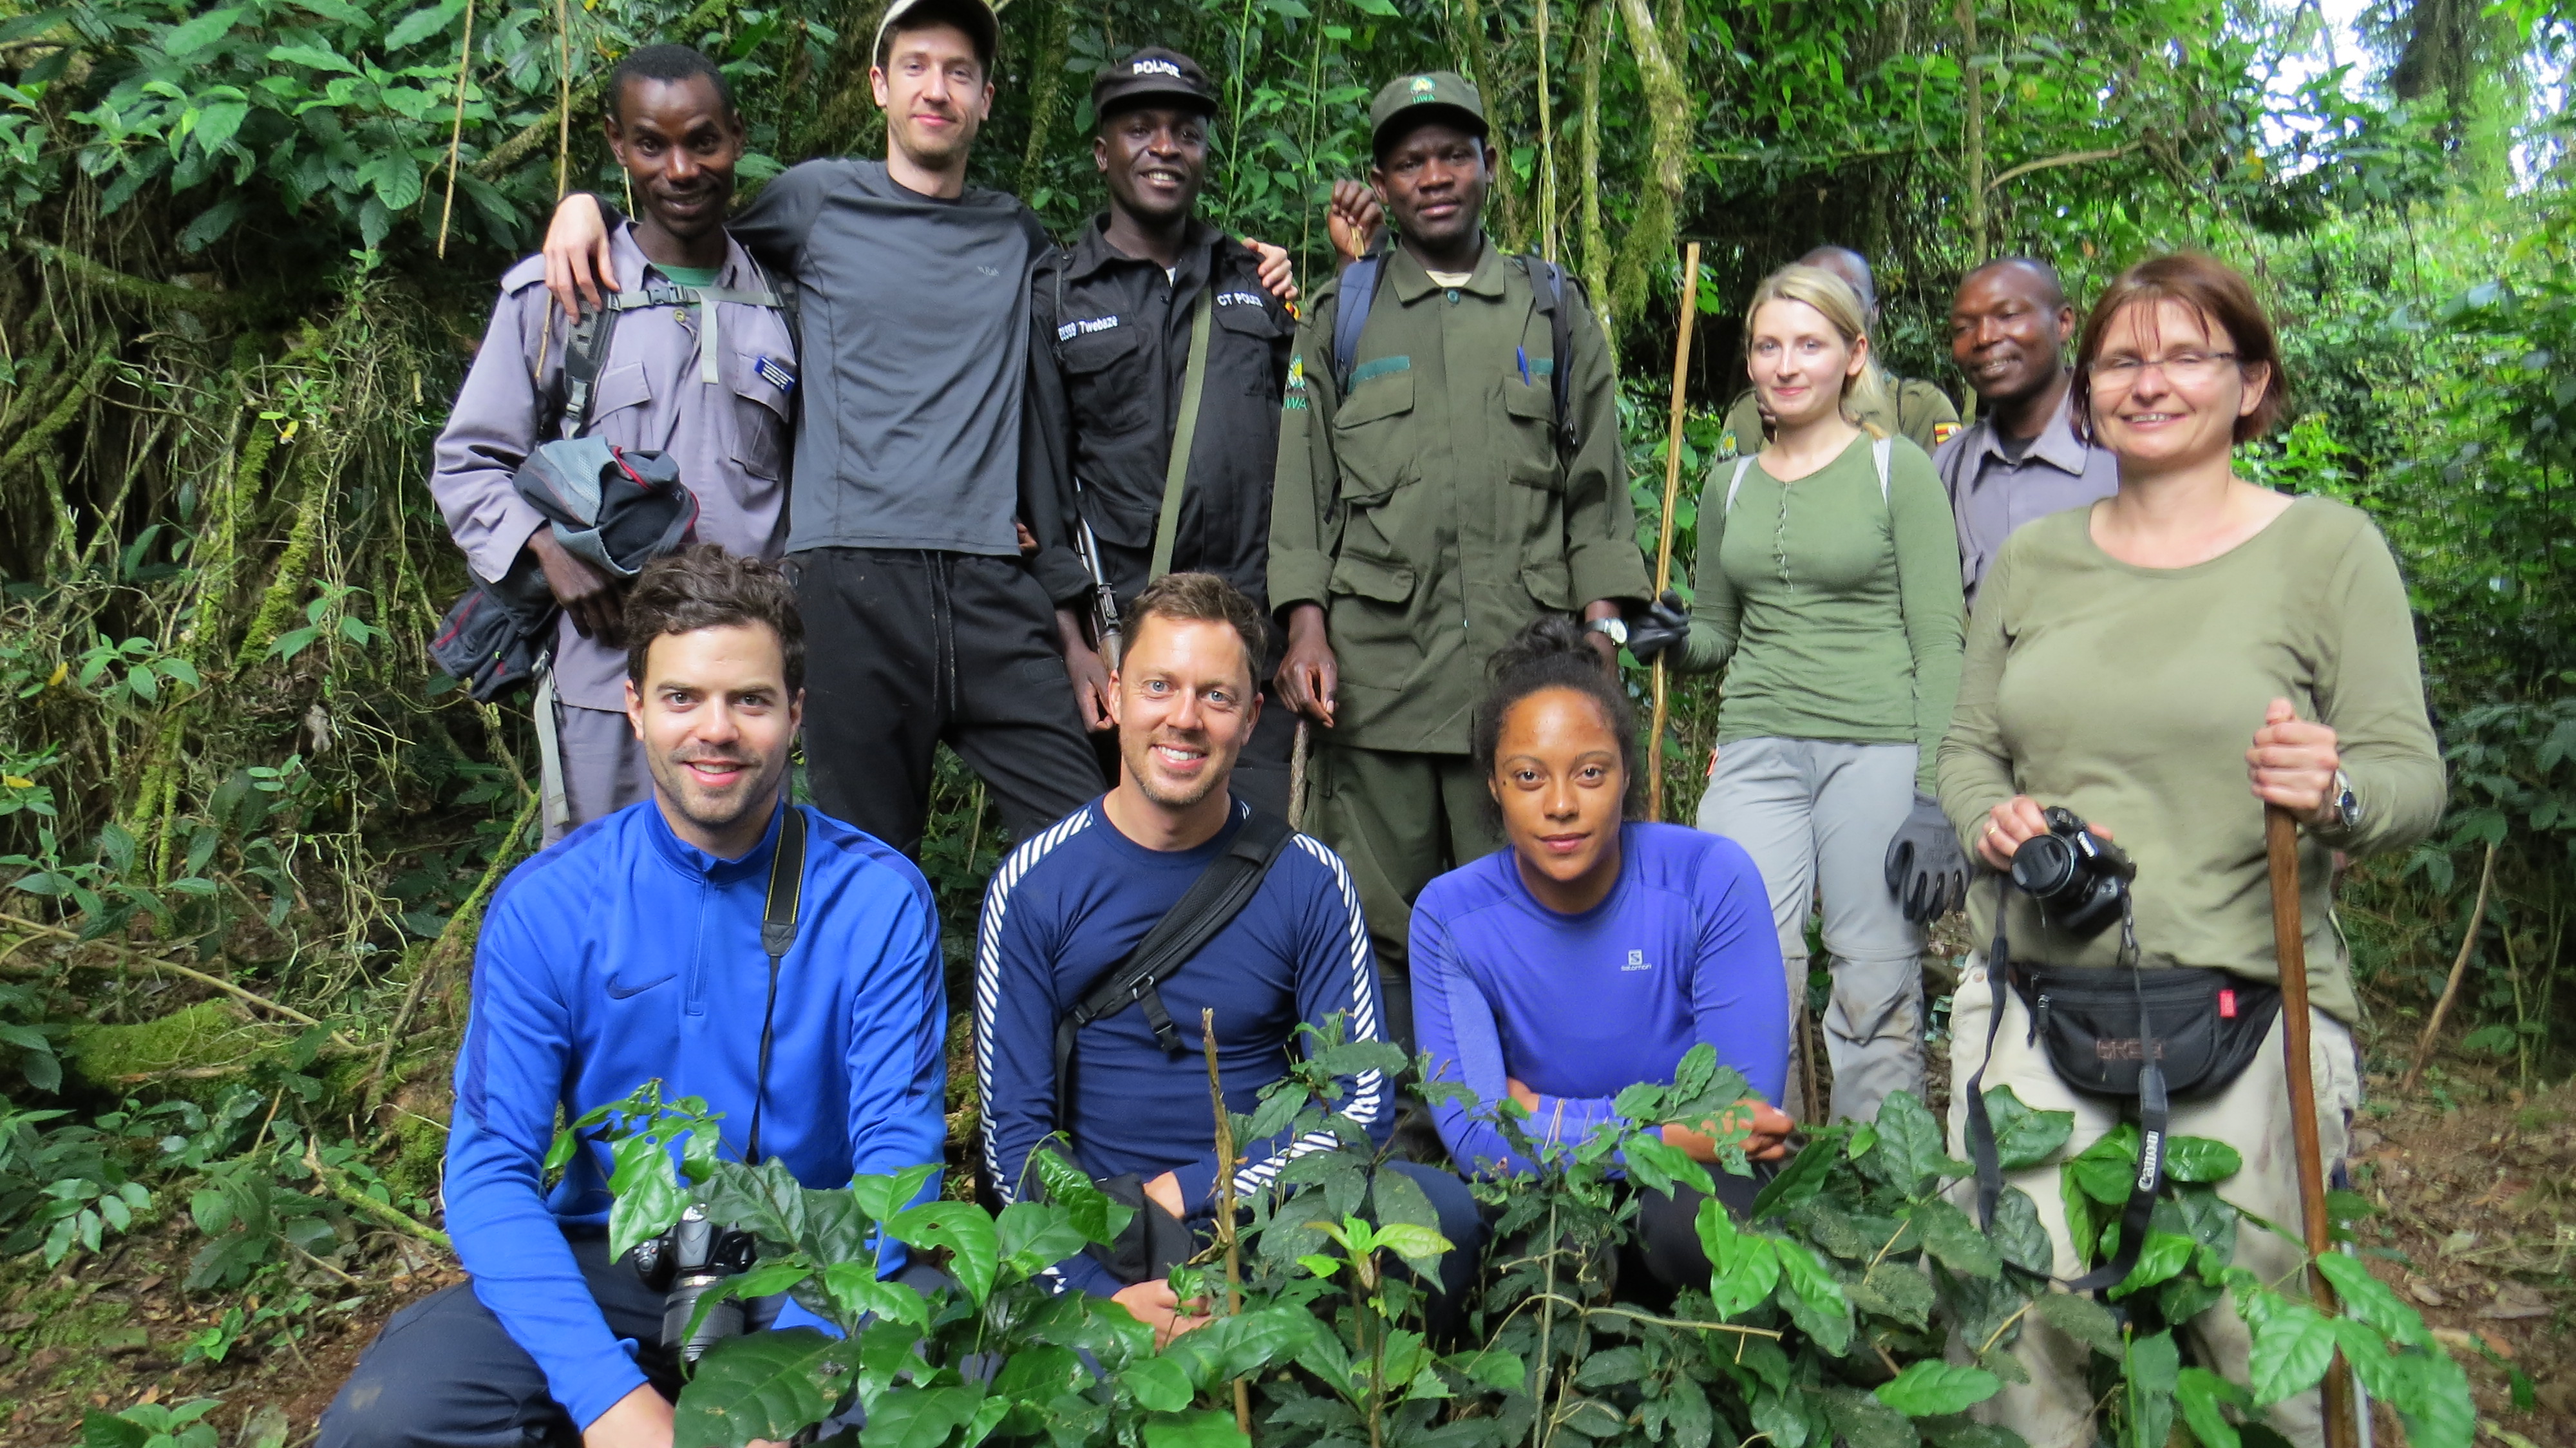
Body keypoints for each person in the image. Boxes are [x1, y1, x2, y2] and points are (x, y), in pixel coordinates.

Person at [537, 1, 1292, 857]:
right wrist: (586, 207)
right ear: (879, 86)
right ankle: (882, 994)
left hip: (991, 583)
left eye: (959, 73)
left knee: (1083, 839)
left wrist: (1070, 627)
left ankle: (1073, 990)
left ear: (985, 99)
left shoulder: (1015, 234)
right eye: (917, 67)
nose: (937, 89)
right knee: (866, 854)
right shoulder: (814, 201)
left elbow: (1055, 407)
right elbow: (687, 225)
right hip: (851, 578)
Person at [1938, 254, 2443, 1447]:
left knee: (2259, 1324)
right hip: (2042, 989)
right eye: (2122, 357)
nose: (2147, 381)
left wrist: (2339, 791)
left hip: (2255, 993)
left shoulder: (2327, 550)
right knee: (2015, 1313)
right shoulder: (2032, 560)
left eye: (2185, 355)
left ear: (2251, 381)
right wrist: (1989, 818)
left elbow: (2411, 777)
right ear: (2085, 383)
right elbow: (1966, 748)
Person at [319, 546, 949, 1448]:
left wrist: (790, 1387)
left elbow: (898, 1161)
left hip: (813, 1272)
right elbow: (491, 1168)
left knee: (969, 1385)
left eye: (752, 701)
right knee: (393, 1421)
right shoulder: (550, 904)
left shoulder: (878, 899)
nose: (717, 730)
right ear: (635, 709)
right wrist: (612, 1402)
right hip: (611, 1261)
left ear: (796, 715)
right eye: (684, 698)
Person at [974, 572, 1483, 1340]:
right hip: (1102, 1236)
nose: (1184, 718)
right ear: (1114, 696)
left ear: (1250, 719)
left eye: (1215, 696)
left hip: (1272, 1215)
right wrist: (1093, 1296)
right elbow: (1014, 1137)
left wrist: (1192, 1193)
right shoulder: (1036, 885)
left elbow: (1360, 1109)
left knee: (1440, 1214)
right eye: (1158, 686)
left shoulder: (1308, 879)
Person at [1269, 70, 1651, 1053]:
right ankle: (1395, 1137)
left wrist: (1602, 637)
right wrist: (1303, 628)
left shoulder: (1551, 312)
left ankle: (1535, 1133)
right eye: (1409, 161)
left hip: (1521, 685)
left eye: (1452, 155)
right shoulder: (1341, 317)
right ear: (1383, 185)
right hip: (1380, 681)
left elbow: (1594, 486)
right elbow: (1302, 488)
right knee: (1379, 923)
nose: (1433, 176)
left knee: (1538, 908)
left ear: (1491, 166)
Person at [1625, 264, 1967, 1126]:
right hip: (1756, 747)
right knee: (1745, 970)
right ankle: (1753, 1186)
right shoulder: (1729, 483)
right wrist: (1671, 638)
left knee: (1874, 980)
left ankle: (1879, 1199)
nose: (1785, 365)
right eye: (1768, 346)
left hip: (1877, 746)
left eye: (1808, 345)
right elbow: (1719, 633)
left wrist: (1936, 797)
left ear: (1853, 357)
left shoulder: (1901, 473)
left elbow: (1940, 640)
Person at [432, 44, 795, 841]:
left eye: (702, 141)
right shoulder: (562, 294)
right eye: (650, 144)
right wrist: (547, 554)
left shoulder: (786, 303)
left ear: (736, 137)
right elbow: (466, 463)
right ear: (616, 145)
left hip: (746, 693)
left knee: (742, 901)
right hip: (605, 678)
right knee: (605, 900)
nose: (680, 168)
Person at [1410, 617, 1793, 1297]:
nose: (1561, 804)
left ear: (1625, 773)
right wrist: (1675, 1132)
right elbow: (1477, 1141)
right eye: (1528, 777)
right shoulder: (1451, 916)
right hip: (1545, 1194)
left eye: (1589, 773)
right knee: (1544, 1253)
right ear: (1495, 786)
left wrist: (1544, 1116)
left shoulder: (1709, 878)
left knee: (1689, 1224)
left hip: (1691, 1187)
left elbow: (1744, 1115)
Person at [1027, 47, 1301, 816]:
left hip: (1249, 643)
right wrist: (1073, 644)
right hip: (1124, 645)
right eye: (1140, 128)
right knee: (1129, 852)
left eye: (1184, 131)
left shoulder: (1255, 281)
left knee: (1245, 857)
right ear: (1102, 151)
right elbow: (1042, 483)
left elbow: (1314, 452)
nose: (1164, 147)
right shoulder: (1053, 291)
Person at [1931, 256, 2120, 606]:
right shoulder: (1949, 467)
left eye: (2008, 316)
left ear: (2063, 323)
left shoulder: (2123, 449)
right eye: (1963, 328)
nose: (1984, 337)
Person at [1716, 245, 1959, 459]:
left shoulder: (1916, 408)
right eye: (1814, 296)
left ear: (1874, 310)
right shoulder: (1752, 412)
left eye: (1847, 295)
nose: (1833, 307)